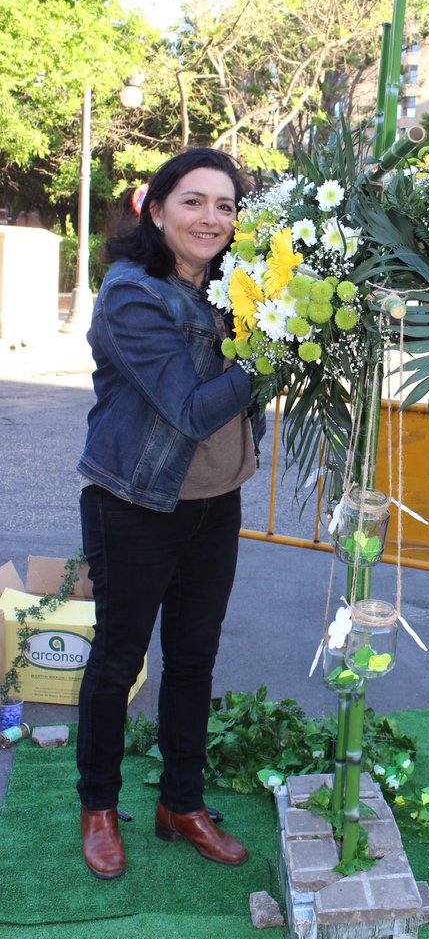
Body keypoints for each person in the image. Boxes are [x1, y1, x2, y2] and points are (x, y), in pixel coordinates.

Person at [76, 147, 261, 879]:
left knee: (193, 658)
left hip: (214, 503)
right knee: (118, 660)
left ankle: (181, 803)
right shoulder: (130, 295)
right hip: (134, 503)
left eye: (225, 205)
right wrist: (269, 355)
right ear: (156, 210)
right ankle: (98, 807)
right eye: (193, 201)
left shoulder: (233, 292)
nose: (210, 217)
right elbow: (188, 409)